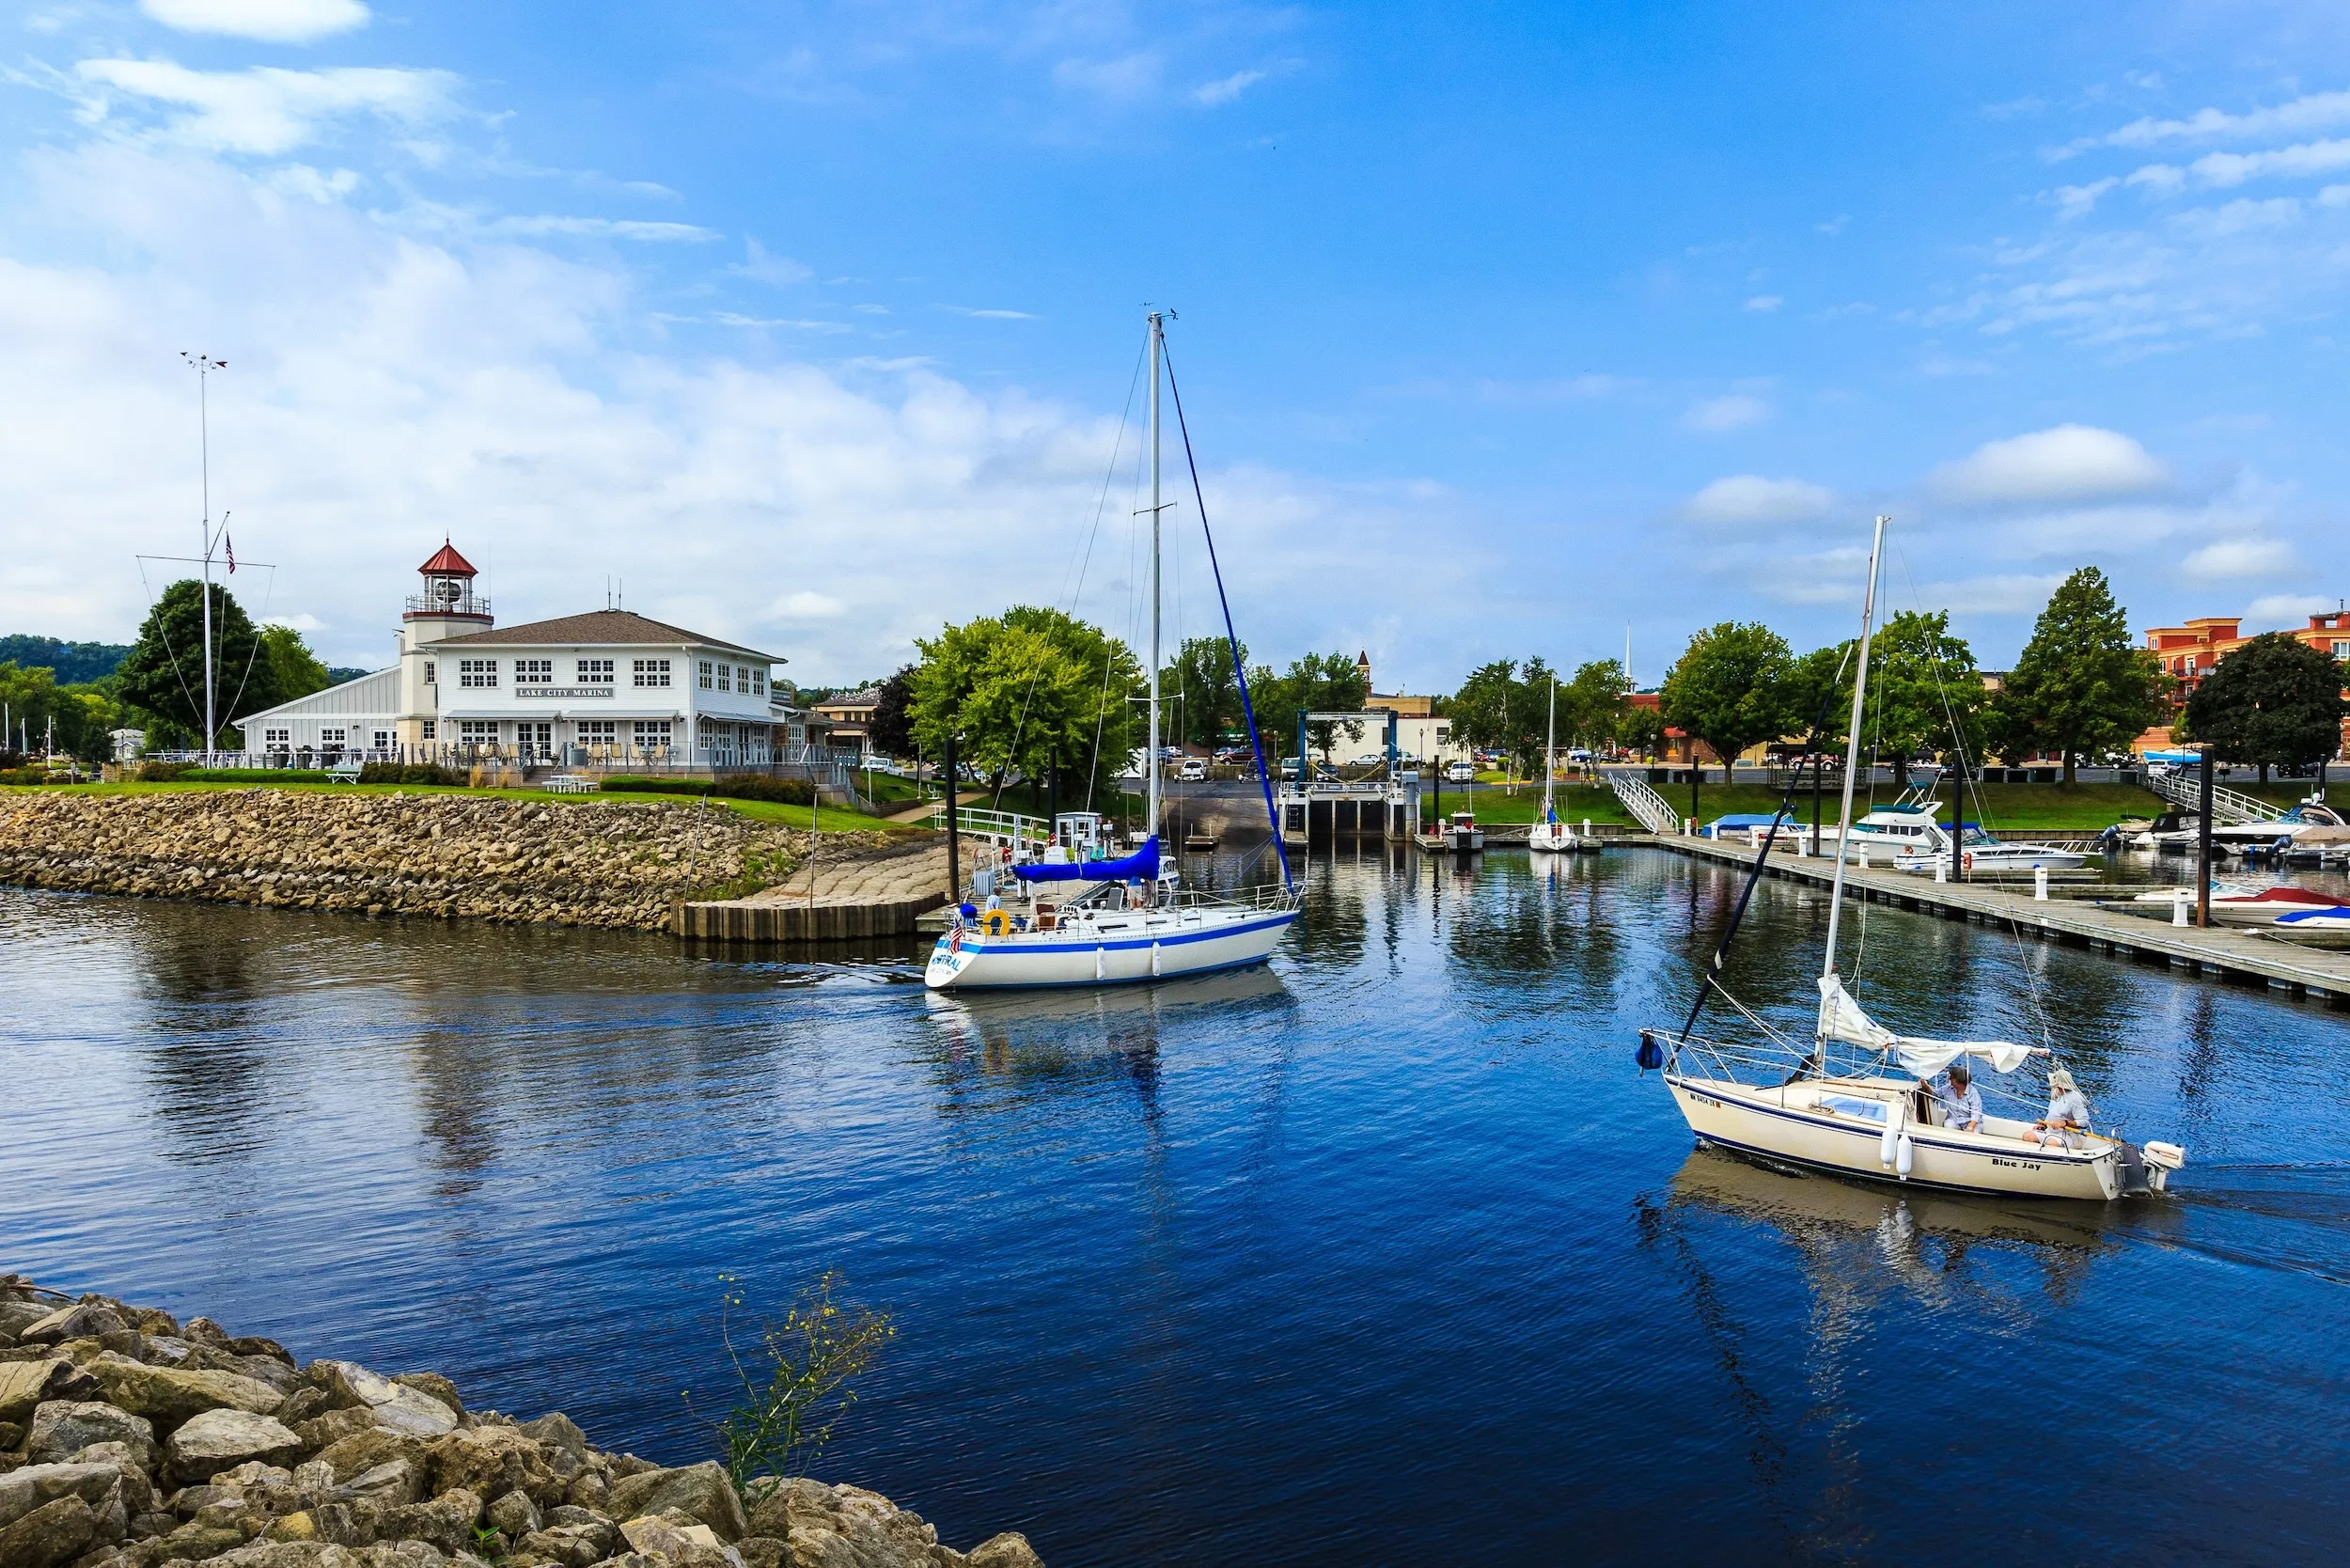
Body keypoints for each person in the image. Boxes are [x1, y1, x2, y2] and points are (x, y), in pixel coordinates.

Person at [2025, 1068, 2092, 1149]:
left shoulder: (2076, 1098)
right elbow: (2053, 1113)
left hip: (2068, 1134)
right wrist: (2044, 1125)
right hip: (2050, 1131)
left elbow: (2085, 1122)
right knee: (2028, 1136)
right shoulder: (2055, 1093)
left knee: (2051, 1144)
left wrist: (2065, 1123)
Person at [1930, 1060, 1984, 1133]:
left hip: (1971, 1123)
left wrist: (1970, 1128)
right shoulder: (1948, 1088)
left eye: (1951, 1078)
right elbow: (1934, 1094)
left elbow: (1976, 1113)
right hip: (1954, 1121)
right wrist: (1925, 1086)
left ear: (1959, 1080)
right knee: (1948, 1125)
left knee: (1974, 1132)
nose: (1949, 1079)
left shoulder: (1973, 1093)